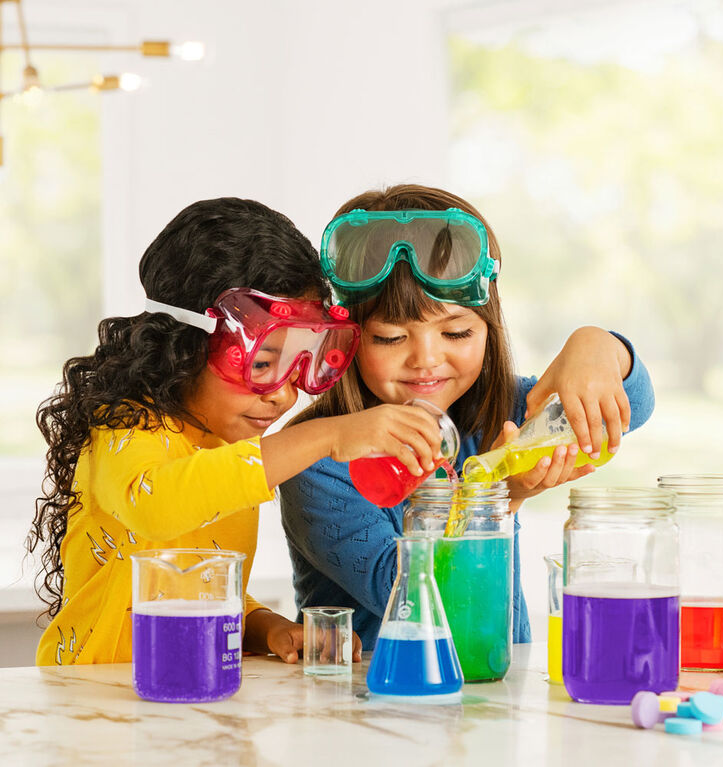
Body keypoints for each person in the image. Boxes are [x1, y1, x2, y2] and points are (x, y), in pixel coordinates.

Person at [29, 197, 445, 666]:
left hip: (194, 698)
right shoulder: (126, 427)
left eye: (297, 367)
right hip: (93, 708)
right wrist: (326, 437)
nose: (284, 396)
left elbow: (202, 587)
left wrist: (270, 630)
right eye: (264, 363)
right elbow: (155, 505)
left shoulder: (232, 450)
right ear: (183, 343)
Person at [279, 184, 656, 650]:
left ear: (488, 328)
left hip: (499, 688)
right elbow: (415, 598)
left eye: (456, 332)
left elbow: (634, 405)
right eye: (392, 338)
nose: (426, 360)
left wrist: (596, 346)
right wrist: (496, 498)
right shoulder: (317, 459)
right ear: (346, 339)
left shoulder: (504, 410)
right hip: (368, 700)